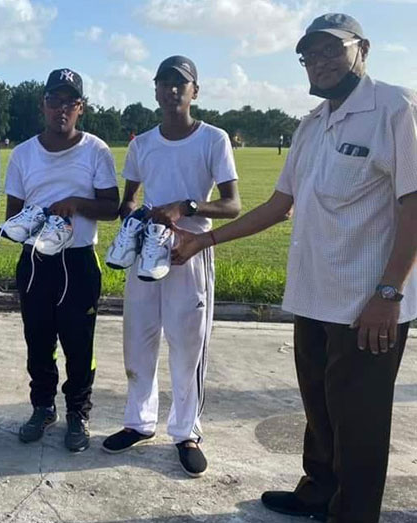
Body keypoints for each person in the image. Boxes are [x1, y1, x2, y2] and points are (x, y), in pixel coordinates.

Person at [174, 13, 417, 522]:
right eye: (311, 53)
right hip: (313, 294)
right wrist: (205, 240)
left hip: (366, 301)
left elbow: (413, 204)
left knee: (360, 420)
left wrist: (389, 293)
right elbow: (278, 205)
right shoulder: (310, 126)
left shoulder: (395, 108)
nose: (321, 62)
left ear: (362, 50)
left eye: (333, 50)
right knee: (321, 408)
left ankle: (352, 514)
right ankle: (317, 492)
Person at [102, 56, 240, 478]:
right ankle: (139, 422)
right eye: (164, 82)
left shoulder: (213, 139)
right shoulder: (142, 143)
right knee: (138, 340)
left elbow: (233, 205)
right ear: (156, 89)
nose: (172, 90)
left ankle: (185, 432)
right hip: (147, 250)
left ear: (195, 91)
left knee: (187, 345)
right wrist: (131, 216)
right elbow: (130, 199)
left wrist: (188, 206)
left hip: (189, 250)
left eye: (181, 83)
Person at [2, 68, 119, 452]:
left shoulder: (96, 150)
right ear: (44, 105)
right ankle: (42, 407)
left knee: (78, 342)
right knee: (38, 339)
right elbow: (12, 215)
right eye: (54, 101)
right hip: (36, 260)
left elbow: (110, 206)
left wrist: (76, 204)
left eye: (70, 102)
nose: (61, 109)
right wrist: (36, 219)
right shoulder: (23, 153)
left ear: (80, 108)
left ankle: (78, 413)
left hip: (78, 261)